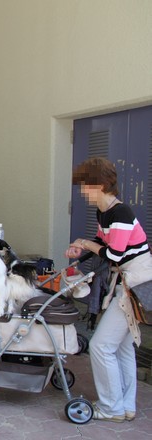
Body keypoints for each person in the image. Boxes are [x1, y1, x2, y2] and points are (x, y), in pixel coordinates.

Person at [65, 157, 152, 423]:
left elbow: (114, 254)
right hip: (126, 282)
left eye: (85, 185)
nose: (82, 191)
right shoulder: (103, 212)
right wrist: (80, 247)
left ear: (101, 185)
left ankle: (111, 407)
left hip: (136, 284)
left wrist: (84, 243)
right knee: (122, 347)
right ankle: (125, 406)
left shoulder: (121, 212)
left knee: (101, 346)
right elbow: (101, 242)